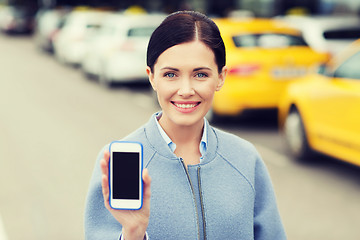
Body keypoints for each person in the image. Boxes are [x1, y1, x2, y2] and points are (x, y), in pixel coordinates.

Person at [84, 11, 286, 240]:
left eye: (200, 74)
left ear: (221, 77)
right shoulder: (118, 162)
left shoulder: (245, 159)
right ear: (152, 77)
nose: (186, 90)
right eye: (171, 74)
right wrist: (133, 234)